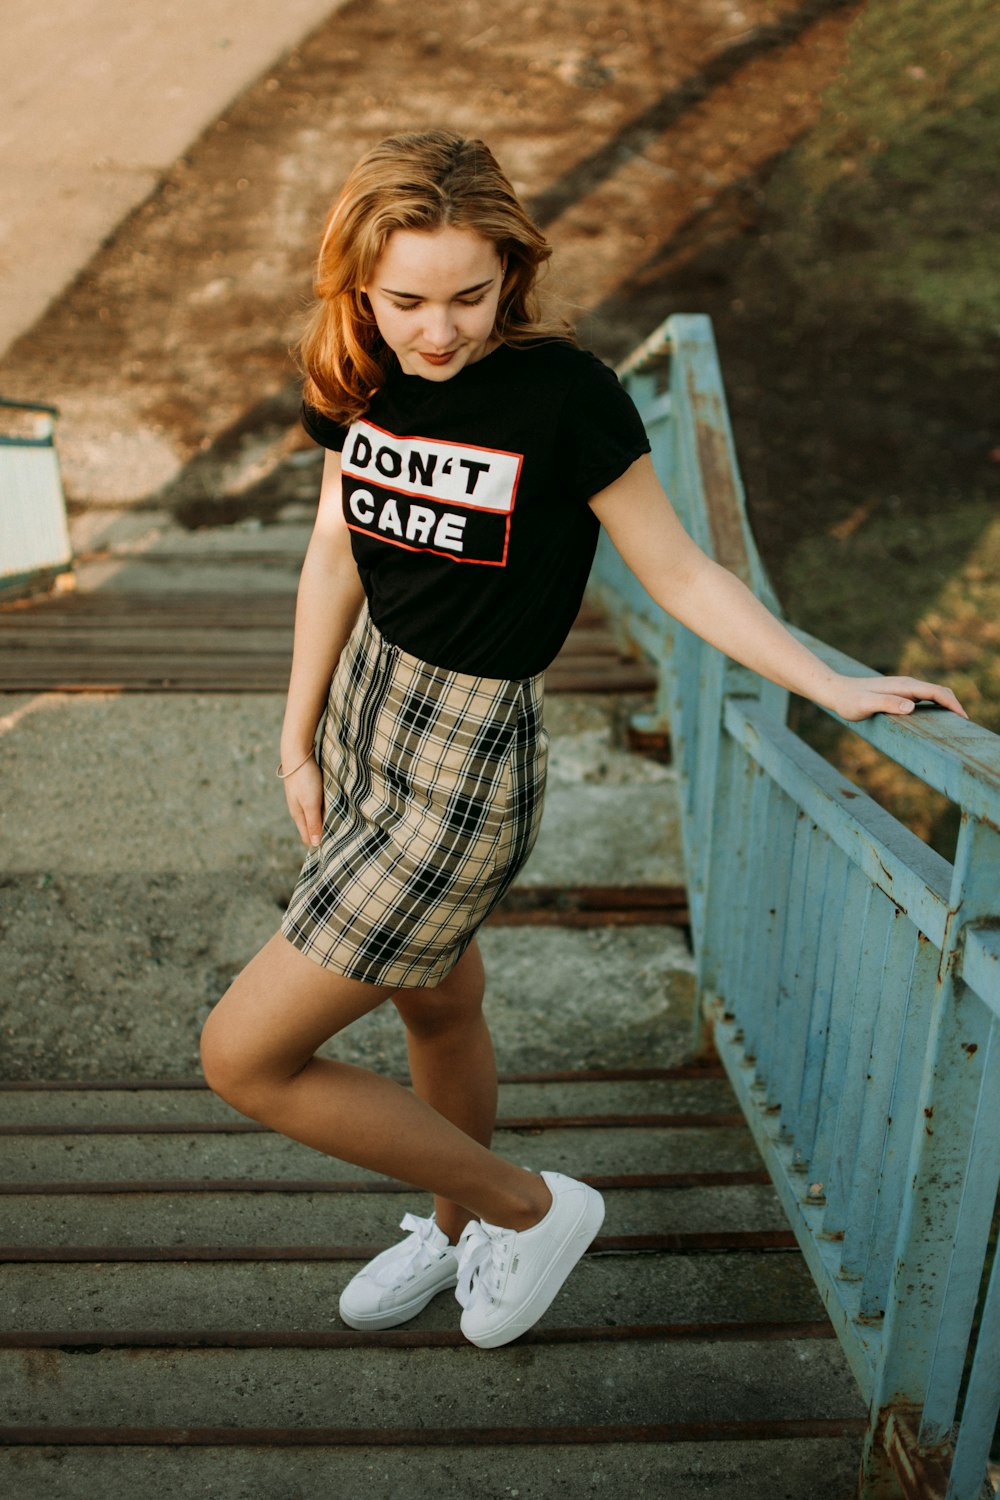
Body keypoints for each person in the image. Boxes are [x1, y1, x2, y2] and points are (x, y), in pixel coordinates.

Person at [199, 129, 966, 1350]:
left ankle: (532, 1207)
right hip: (365, 719)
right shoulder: (356, 371)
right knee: (436, 1013)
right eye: (406, 299)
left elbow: (679, 570)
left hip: (461, 766)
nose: (437, 330)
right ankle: (456, 1232)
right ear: (356, 284)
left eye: (468, 294)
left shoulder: (565, 397)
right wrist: (297, 737)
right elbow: (336, 549)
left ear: (512, 271)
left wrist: (827, 681)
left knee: (241, 1056)